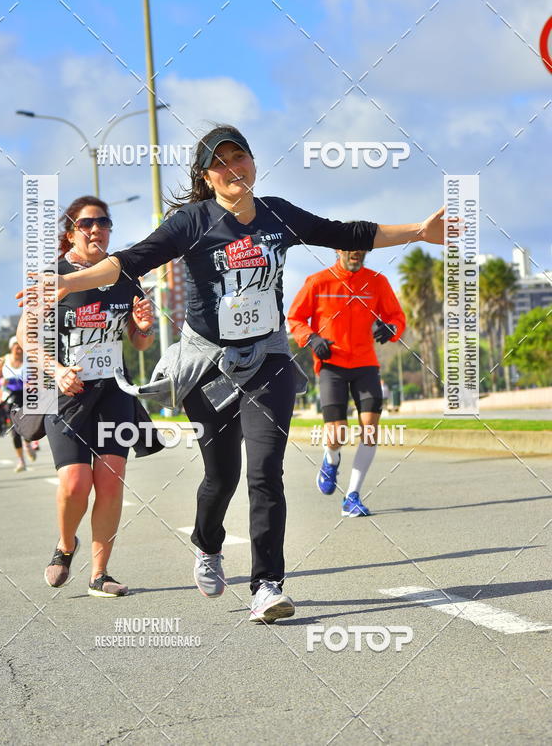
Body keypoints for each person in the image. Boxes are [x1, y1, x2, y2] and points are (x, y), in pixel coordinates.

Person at [22, 125, 444, 623]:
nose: (232, 168)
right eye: (220, 163)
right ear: (208, 176)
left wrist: (419, 230)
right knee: (221, 477)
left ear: (253, 162)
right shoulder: (191, 221)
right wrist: (68, 280)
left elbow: (346, 231)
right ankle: (207, 543)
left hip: (268, 360)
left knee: (267, 471)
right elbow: (129, 262)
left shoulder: (278, 214)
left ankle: (267, 585)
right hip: (208, 366)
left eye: (238, 156)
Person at [17, 196, 154, 597]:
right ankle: (65, 545)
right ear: (71, 231)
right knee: (76, 484)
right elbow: (27, 336)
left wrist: (143, 328)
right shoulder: (54, 276)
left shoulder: (124, 277)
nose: (96, 230)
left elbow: (139, 343)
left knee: (110, 483)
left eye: (103, 222)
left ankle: (100, 574)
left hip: (114, 391)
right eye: (86, 224)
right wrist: (56, 371)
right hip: (67, 393)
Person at [288, 249, 405, 517]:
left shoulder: (377, 282)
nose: (357, 254)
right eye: (351, 250)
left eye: (362, 250)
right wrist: (312, 339)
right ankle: (331, 459)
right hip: (332, 365)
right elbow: (294, 318)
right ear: (338, 251)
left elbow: (397, 317)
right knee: (337, 432)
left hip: (365, 363)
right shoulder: (318, 282)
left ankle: (352, 496)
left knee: (370, 429)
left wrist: (391, 329)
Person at [0, 337, 37, 472]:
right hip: (10, 397)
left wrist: (32, 382)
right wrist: (1, 383)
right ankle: (21, 461)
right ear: (11, 347)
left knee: (27, 426)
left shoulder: (29, 359)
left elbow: (39, 376)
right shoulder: (3, 360)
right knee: (14, 429)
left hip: (27, 396)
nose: (18, 349)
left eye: (21, 347)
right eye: (16, 347)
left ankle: (28, 444)